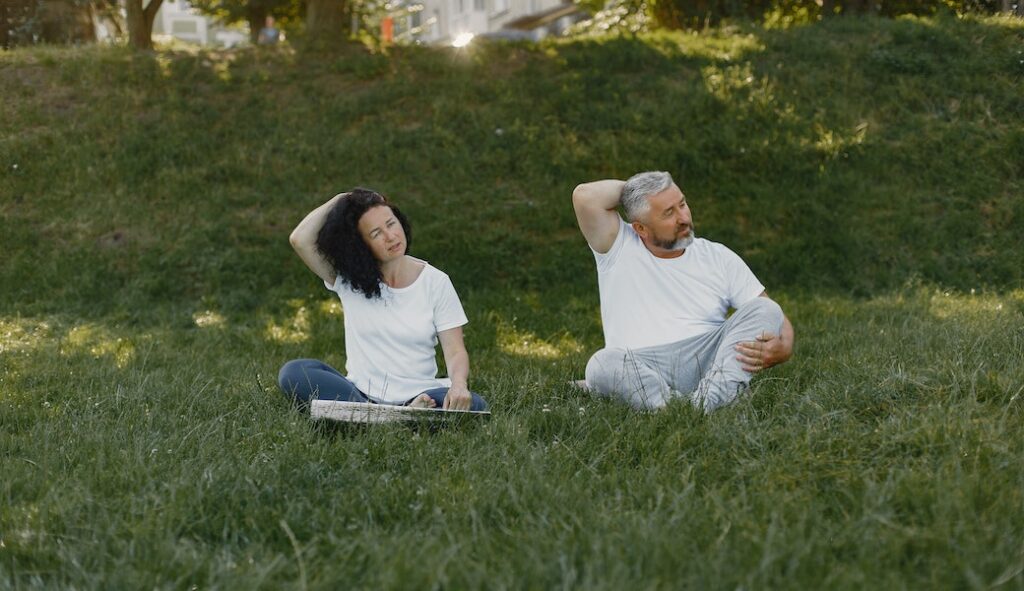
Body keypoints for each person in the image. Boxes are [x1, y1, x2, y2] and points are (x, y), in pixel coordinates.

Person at [572, 172, 794, 412]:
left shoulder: (717, 256)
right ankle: (687, 408)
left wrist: (785, 347)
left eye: (682, 204)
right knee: (601, 365)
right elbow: (585, 197)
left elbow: (773, 316)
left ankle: (704, 401)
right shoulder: (617, 245)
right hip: (640, 364)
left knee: (766, 308)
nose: (684, 218)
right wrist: (640, 190)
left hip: (707, 360)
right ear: (641, 228)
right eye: (668, 213)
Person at [278, 188, 488, 412]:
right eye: (376, 233)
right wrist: (345, 199)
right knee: (293, 372)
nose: (391, 236)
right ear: (361, 245)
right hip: (359, 393)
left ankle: (376, 415)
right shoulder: (349, 280)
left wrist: (458, 386)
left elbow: (455, 351)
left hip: (422, 394)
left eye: (391, 223)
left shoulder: (436, 282)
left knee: (475, 404)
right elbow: (299, 239)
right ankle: (391, 415)